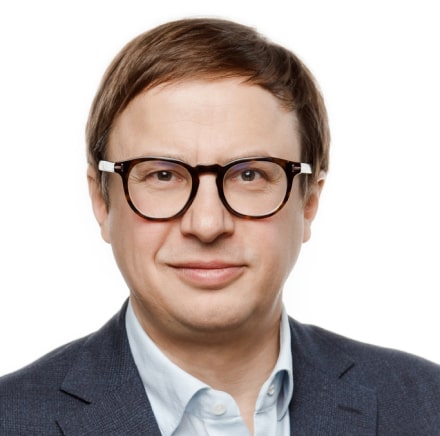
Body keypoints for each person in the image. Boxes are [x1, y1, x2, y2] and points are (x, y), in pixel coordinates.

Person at [0, 17, 439, 435]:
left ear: (309, 201)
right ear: (102, 200)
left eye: (249, 175)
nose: (207, 224)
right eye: (163, 175)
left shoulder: (426, 405)